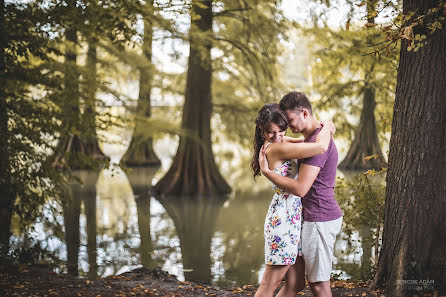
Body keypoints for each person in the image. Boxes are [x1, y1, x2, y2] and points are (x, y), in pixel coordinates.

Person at [259, 92, 343, 297]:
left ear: (304, 113)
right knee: (290, 283)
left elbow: (308, 146)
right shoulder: (306, 144)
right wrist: (327, 128)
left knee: (306, 284)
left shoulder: (306, 142)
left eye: (288, 123)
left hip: (316, 218)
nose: (284, 130)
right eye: (274, 130)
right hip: (294, 219)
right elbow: (301, 186)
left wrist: (328, 127)